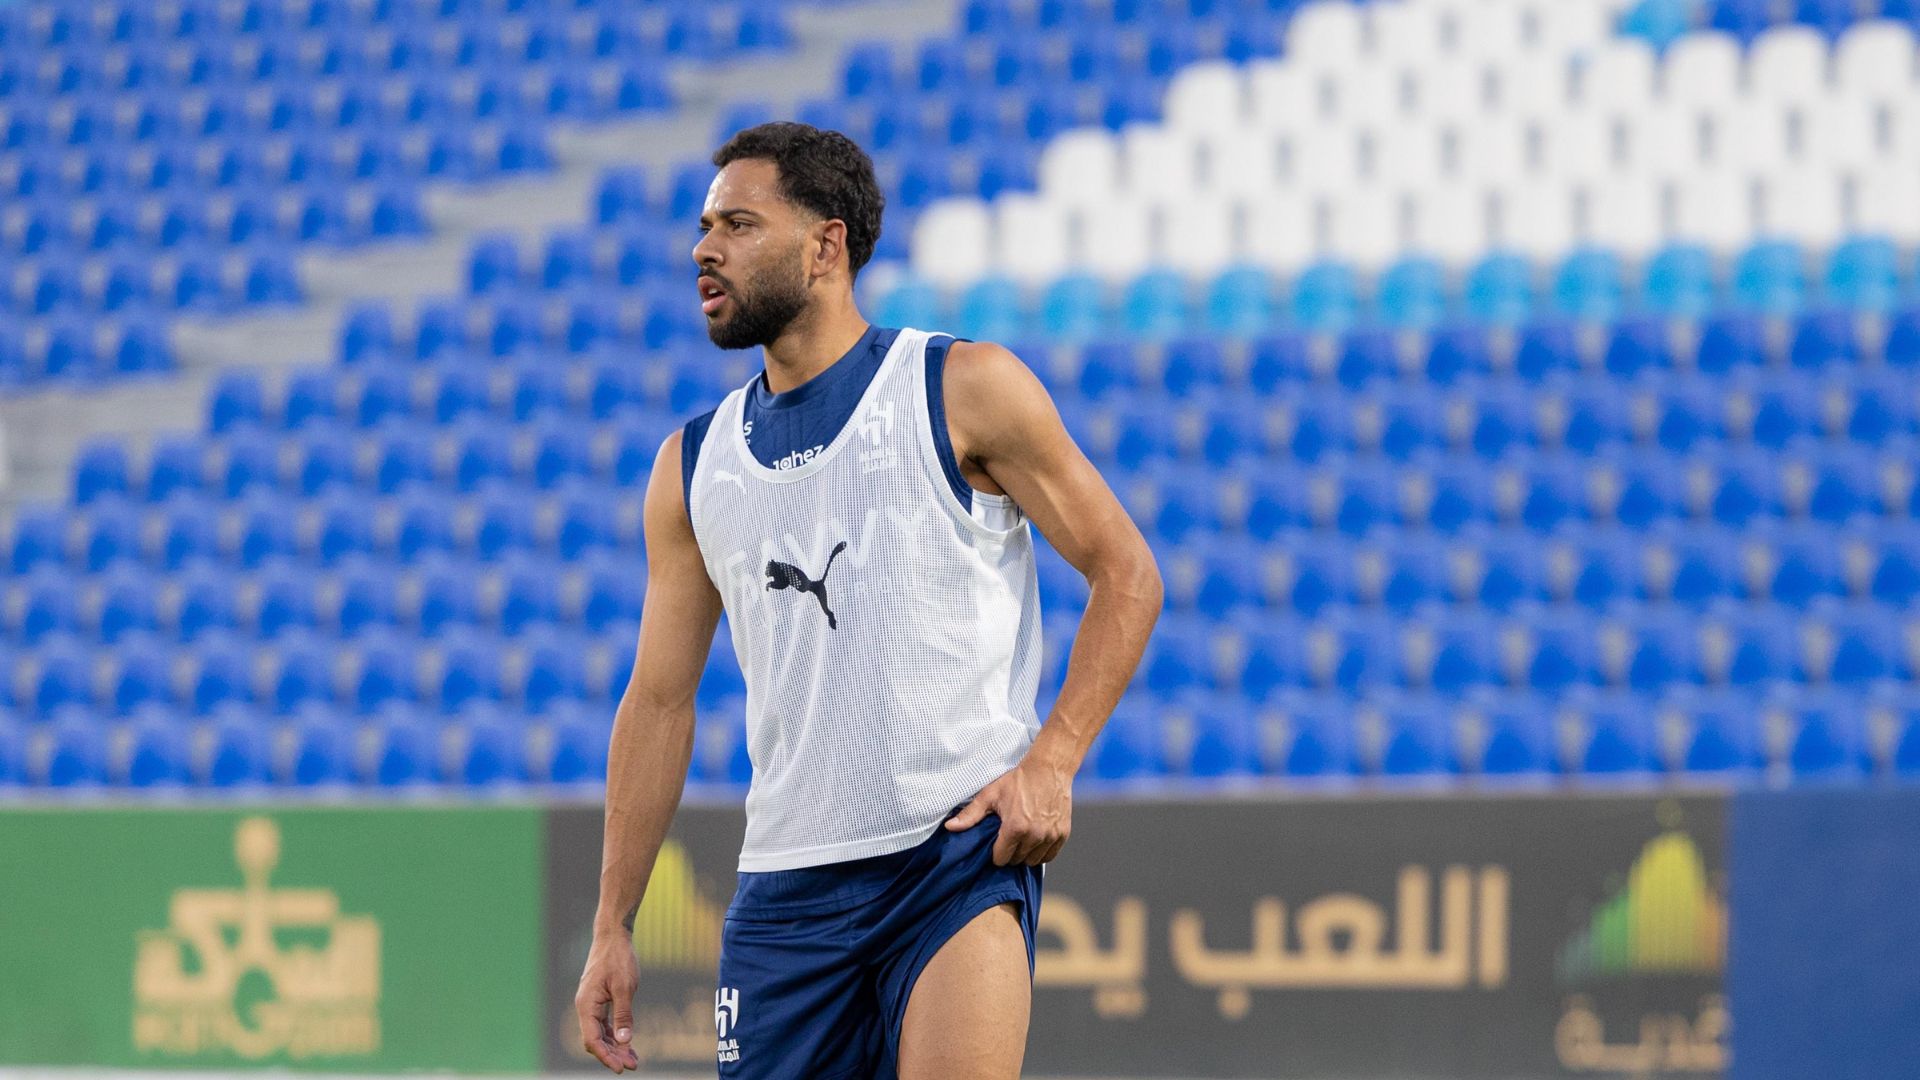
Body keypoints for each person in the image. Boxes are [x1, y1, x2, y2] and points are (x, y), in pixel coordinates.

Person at [574, 122, 1161, 1080]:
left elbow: (1127, 573)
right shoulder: (690, 465)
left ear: (825, 246)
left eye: (737, 223)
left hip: (950, 864)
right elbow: (659, 702)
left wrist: (1052, 763)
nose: (703, 248)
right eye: (702, 225)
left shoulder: (962, 386)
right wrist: (611, 924)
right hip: (783, 897)